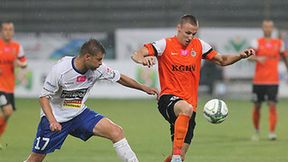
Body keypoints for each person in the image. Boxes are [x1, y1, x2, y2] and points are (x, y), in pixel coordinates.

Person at [131, 14, 254, 162]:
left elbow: (221, 60)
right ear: (179, 28)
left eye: (193, 34)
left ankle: (176, 157)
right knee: (185, 111)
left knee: (181, 157)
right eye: (187, 33)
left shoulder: (200, 46)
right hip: (168, 98)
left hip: (190, 107)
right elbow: (137, 53)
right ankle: (176, 155)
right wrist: (143, 59)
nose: (190, 37)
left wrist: (239, 56)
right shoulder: (165, 44)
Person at [24, 39, 158, 162]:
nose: (101, 63)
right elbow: (43, 98)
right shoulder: (61, 70)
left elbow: (120, 78)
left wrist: (143, 88)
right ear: (87, 57)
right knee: (35, 159)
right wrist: (52, 121)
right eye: (99, 59)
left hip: (78, 114)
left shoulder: (98, 69)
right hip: (55, 118)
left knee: (116, 131)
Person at [249, 20, 288, 141]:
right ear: (263, 28)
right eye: (266, 27)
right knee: (257, 106)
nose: (268, 29)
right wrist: (257, 58)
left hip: (273, 81)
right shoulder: (256, 42)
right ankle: (256, 130)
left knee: (272, 105)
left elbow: (285, 57)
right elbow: (249, 57)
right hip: (258, 81)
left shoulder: (279, 43)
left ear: (273, 29)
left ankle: (272, 132)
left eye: (270, 27)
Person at [0, 21, 27, 149]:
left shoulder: (17, 47)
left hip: (9, 87)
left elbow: (24, 63)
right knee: (7, 110)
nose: (8, 32)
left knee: (7, 115)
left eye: (10, 29)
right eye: (5, 29)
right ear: (1, 31)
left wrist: (21, 67)